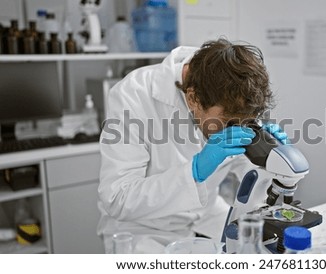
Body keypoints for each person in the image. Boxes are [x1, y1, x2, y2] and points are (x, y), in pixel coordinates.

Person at [97, 38, 287, 253]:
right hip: (144, 230)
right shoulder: (133, 95)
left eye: (246, 122)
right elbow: (117, 198)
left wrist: (268, 160)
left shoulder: (232, 92)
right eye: (229, 123)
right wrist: (193, 172)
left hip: (206, 216)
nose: (236, 129)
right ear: (194, 98)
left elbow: (247, 173)